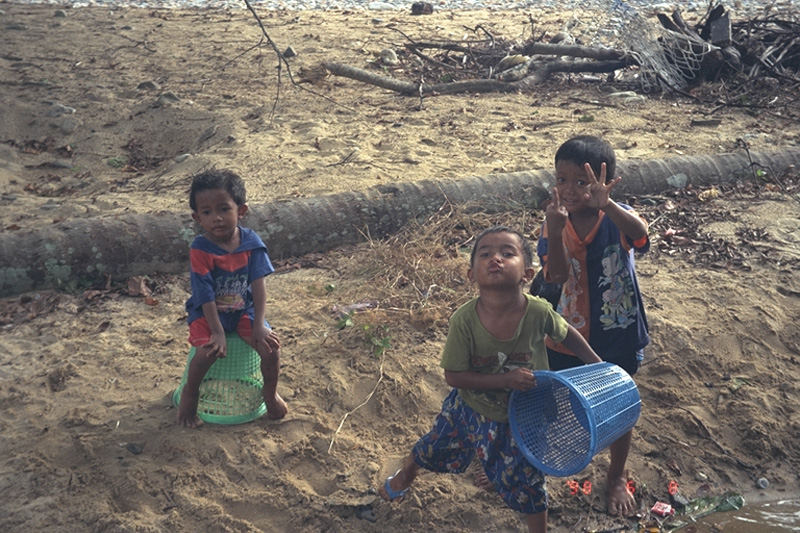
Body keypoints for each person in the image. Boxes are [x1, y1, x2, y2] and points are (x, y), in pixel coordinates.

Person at [379, 226, 603, 533]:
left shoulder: (538, 312)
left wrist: (598, 366)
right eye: (485, 254)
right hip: (470, 407)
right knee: (434, 447)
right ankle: (406, 475)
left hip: (525, 415)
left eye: (507, 253)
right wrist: (505, 381)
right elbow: (454, 376)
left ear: (527, 273)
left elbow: (568, 335)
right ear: (472, 274)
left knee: (528, 481)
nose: (495, 258)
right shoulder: (464, 321)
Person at [535, 135, 650, 516]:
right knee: (551, 395)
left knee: (618, 401)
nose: (569, 190)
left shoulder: (615, 217)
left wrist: (610, 205)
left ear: (606, 182)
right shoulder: (553, 223)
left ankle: (616, 475)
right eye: (562, 179)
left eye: (581, 182)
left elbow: (641, 236)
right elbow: (555, 275)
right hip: (567, 331)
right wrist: (554, 228)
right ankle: (535, 458)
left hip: (616, 329)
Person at [177, 169, 288, 428]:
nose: (216, 218)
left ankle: (270, 394)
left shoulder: (251, 244)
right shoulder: (200, 250)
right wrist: (216, 332)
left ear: (242, 210)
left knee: (271, 349)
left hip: (243, 310)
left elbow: (258, 287)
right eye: (206, 212)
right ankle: (190, 395)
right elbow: (204, 294)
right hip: (208, 314)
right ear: (197, 217)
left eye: (224, 209)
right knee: (207, 353)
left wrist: (259, 324)